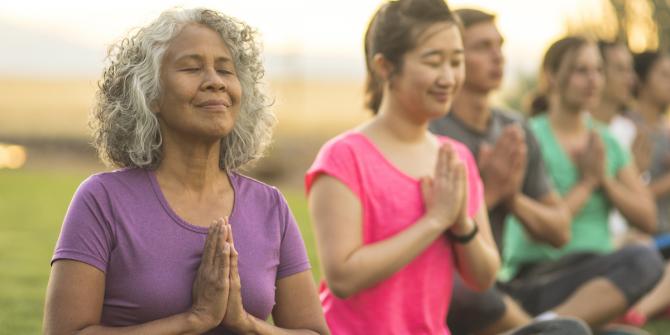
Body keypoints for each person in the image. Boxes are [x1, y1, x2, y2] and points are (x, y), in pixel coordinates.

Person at [43, 8, 329, 335]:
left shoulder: (270, 207)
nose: (215, 82)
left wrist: (244, 322)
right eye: (192, 68)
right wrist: (192, 320)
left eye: (225, 70)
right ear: (150, 95)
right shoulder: (102, 200)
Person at [305, 0, 500, 333]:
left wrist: (459, 223)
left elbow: (484, 277)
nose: (449, 77)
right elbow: (343, 277)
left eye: (456, 61)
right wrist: (434, 220)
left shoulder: (455, 157)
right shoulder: (344, 157)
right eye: (433, 61)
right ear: (384, 66)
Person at [500, 36, 664, 332]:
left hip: (598, 279)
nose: (593, 81)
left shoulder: (607, 140)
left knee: (644, 262)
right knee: (641, 258)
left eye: (598, 71)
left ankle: (540, 328)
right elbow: (543, 231)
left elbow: (648, 218)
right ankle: (549, 326)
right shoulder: (527, 137)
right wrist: (588, 183)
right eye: (581, 71)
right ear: (551, 77)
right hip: (542, 275)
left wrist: (605, 180)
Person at [429, 8, 571, 335]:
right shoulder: (431, 131)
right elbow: (430, 242)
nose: (498, 57)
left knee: (637, 261)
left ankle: (540, 328)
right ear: (454, 59)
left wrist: (513, 197)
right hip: (454, 288)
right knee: (467, 292)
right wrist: (489, 192)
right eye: (483, 47)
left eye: (500, 45)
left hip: (500, 284)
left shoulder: (514, 128)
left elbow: (559, 232)